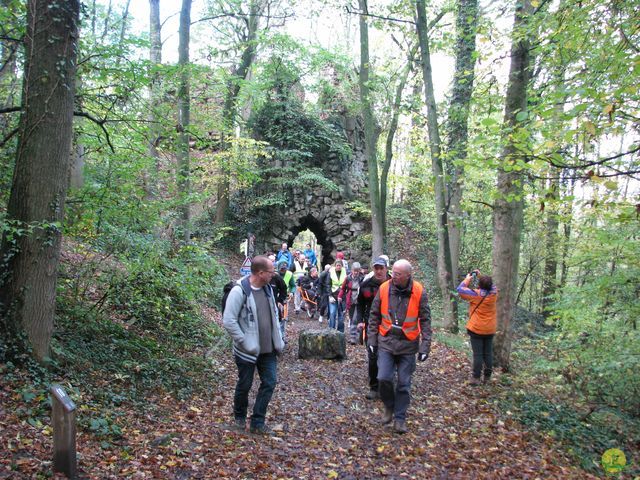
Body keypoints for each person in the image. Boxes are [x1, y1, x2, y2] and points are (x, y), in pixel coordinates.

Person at [367, 259, 431, 434]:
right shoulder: (384, 288)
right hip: (386, 342)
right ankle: (389, 406)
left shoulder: (419, 291)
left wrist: (425, 346)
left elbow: (425, 320)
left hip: (408, 345)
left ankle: (400, 419)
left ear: (408, 275)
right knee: (383, 378)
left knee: (404, 383)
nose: (393, 276)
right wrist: (372, 340)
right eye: (393, 272)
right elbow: (374, 316)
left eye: (397, 273)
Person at [223, 256, 284, 435]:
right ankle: (239, 418)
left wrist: (278, 339)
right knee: (245, 384)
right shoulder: (239, 291)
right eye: (271, 272)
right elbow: (229, 320)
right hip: (246, 351)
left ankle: (258, 421)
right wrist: (244, 341)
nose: (273, 275)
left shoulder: (268, 289)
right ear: (260, 273)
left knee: (270, 382)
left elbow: (273, 314)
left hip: (268, 349)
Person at [356, 257, 391, 400]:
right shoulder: (365, 285)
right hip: (371, 326)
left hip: (390, 326)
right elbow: (359, 304)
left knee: (388, 356)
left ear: (386, 269)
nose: (379, 271)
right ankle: (374, 387)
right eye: (376, 268)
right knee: (373, 356)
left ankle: (387, 384)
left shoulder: (394, 284)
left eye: (381, 268)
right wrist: (359, 321)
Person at [457, 270, 498, 385]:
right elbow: (492, 286)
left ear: (480, 285)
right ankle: (487, 376)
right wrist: (481, 276)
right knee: (488, 353)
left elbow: (460, 289)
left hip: (476, 329)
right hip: (490, 329)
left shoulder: (475, 294)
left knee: (478, 354)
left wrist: (468, 278)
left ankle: (475, 377)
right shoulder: (494, 293)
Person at [338, 262, 363, 344]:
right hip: (350, 299)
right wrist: (340, 296)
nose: (356, 272)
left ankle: (353, 337)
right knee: (352, 318)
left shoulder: (362, 278)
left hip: (359, 300)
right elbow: (343, 288)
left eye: (357, 271)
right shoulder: (348, 278)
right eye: (354, 271)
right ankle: (357, 336)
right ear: (352, 270)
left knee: (356, 319)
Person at [275, 260, 295, 340]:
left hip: (285, 298)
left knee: (284, 318)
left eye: (284, 268)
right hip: (275, 298)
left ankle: (282, 337)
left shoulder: (289, 274)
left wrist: (292, 292)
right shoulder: (274, 275)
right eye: (281, 269)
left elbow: (293, 285)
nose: (283, 270)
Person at [328, 260, 347, 331]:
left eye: (340, 265)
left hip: (342, 296)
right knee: (332, 313)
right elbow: (328, 285)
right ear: (335, 266)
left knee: (341, 315)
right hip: (333, 295)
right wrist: (329, 296)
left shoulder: (345, 272)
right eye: (337, 265)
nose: (338, 267)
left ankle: (340, 332)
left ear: (342, 266)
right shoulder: (331, 273)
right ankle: (331, 330)